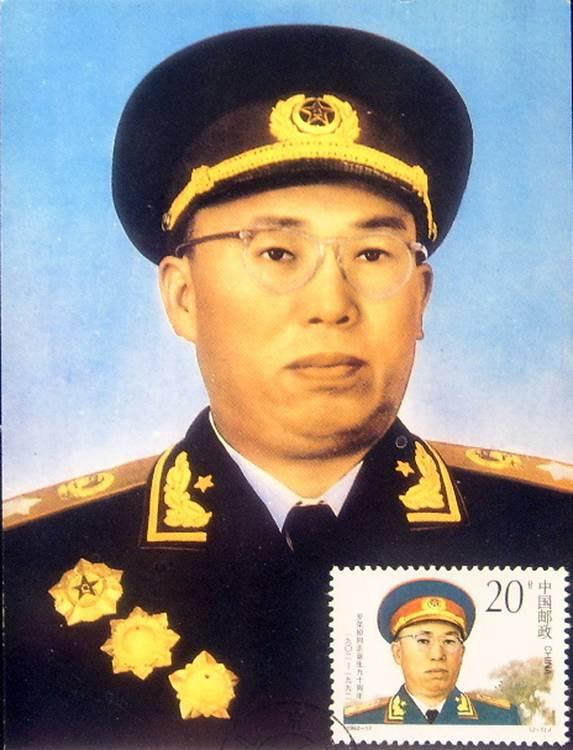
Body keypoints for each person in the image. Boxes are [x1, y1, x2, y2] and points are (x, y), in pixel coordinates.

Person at [4, 25, 571, 749]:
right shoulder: (29, 564)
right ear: (183, 297)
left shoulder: (549, 530)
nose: (331, 304)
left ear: (421, 299)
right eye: (276, 252)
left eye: (373, 253)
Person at [345, 579, 521, 725]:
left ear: (462, 653)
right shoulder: (362, 720)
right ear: (398, 652)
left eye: (449, 641)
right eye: (423, 641)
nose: (437, 655)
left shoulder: (500, 718)